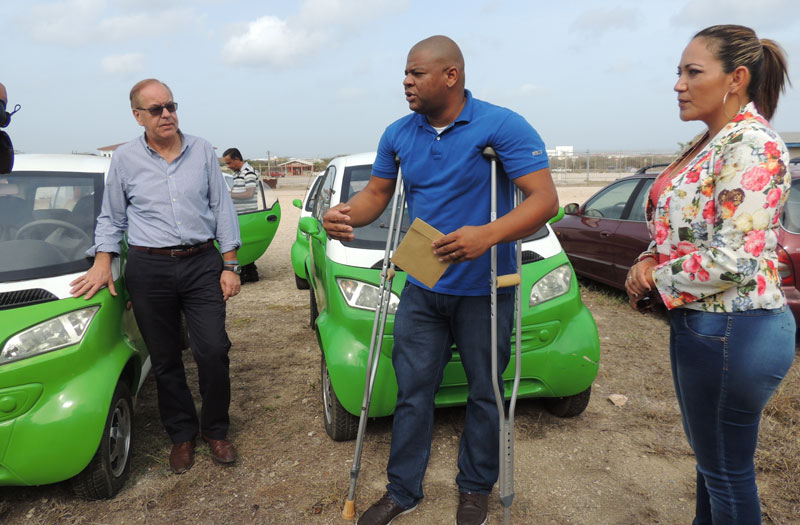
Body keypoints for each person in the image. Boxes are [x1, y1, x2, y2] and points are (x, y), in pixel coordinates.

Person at [323, 36, 558, 525]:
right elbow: (376, 196)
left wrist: (487, 236)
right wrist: (345, 214)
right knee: (413, 390)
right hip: (423, 288)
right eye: (405, 75)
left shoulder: (503, 125)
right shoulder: (399, 133)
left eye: (416, 74)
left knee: (485, 391)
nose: (406, 83)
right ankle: (402, 490)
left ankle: (474, 488)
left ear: (450, 75)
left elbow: (543, 200)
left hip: (487, 288)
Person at [626, 25, 795, 524]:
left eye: (692, 72)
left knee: (726, 472)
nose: (678, 83)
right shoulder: (710, 143)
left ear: (736, 78)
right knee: (712, 465)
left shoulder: (752, 145)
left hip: (735, 331)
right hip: (706, 327)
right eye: (678, 72)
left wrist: (655, 278)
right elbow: (683, 228)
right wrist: (649, 258)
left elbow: (733, 258)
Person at [70, 79, 243, 475]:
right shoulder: (126, 160)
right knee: (165, 359)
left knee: (213, 350)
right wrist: (103, 259)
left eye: (171, 106)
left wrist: (230, 265)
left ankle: (215, 430)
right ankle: (181, 435)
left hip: (202, 263)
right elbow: (111, 217)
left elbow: (221, 207)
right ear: (138, 116)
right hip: (150, 268)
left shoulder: (202, 150)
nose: (167, 114)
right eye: (156, 109)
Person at [222, 147, 259, 282]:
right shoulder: (237, 174)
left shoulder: (248, 173)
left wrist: (228, 195)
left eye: (229, 163)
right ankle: (250, 274)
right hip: (239, 215)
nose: (228, 166)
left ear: (237, 159)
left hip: (247, 215)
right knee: (243, 244)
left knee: (242, 245)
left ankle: (246, 274)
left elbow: (249, 194)